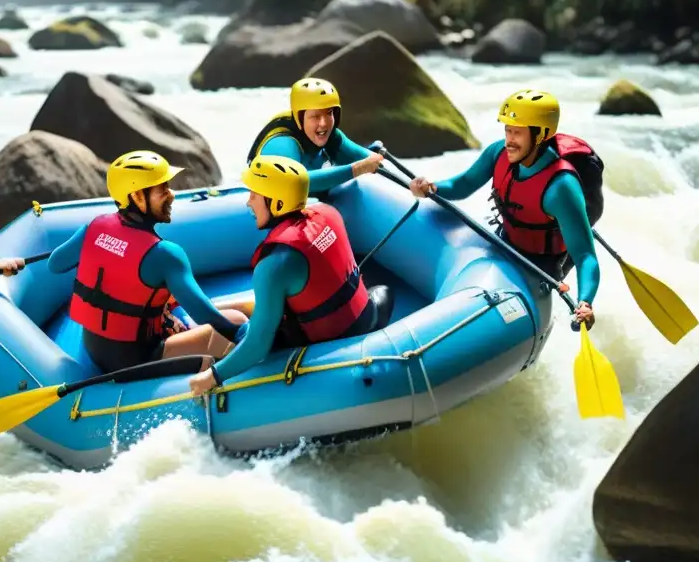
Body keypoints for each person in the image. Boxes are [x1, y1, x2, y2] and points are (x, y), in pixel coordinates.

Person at [0, 150, 248, 374]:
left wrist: (19, 263)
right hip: (138, 358)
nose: (171, 195)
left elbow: (55, 264)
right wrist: (242, 334)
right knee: (235, 319)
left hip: (96, 348)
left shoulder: (94, 228)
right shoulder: (166, 254)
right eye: (162, 189)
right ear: (138, 197)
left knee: (183, 302)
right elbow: (202, 313)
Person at [188, 155, 393, 396]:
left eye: (255, 194)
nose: (248, 202)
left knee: (240, 329)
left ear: (276, 202)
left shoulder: (274, 264)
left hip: (323, 345)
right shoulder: (327, 213)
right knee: (383, 291)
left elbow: (258, 347)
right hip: (365, 319)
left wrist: (213, 377)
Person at [408, 89, 602, 329]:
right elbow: (464, 184)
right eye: (507, 130)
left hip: (541, 264)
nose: (509, 140)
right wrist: (433, 187)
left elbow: (585, 256)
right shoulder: (497, 152)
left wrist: (585, 302)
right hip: (505, 240)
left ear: (541, 134)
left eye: (517, 133)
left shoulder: (561, 187)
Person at [246, 77, 385, 193]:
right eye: (315, 116)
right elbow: (295, 183)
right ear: (300, 117)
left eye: (329, 113)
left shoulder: (332, 137)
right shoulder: (282, 143)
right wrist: (356, 169)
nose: (323, 123)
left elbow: (372, 161)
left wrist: (372, 160)